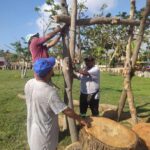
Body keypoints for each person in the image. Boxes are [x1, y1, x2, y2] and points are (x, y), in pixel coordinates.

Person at [24, 57, 90, 150]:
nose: (53, 69)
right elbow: (66, 110)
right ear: (49, 72)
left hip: (33, 130)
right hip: (45, 137)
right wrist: (80, 119)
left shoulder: (29, 83)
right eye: (51, 68)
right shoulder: (49, 92)